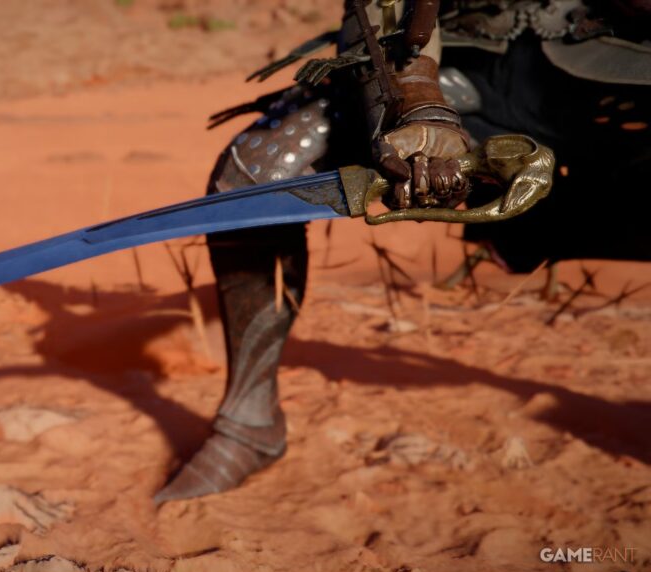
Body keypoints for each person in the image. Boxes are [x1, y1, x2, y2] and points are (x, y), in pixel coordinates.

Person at [154, 0, 651, 504]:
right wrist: (417, 101)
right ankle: (250, 424)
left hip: (627, 86)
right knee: (255, 175)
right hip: (463, 69)